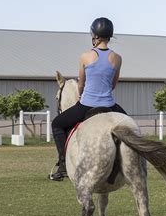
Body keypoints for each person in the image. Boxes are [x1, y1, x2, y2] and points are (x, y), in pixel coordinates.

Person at [49, 17, 127, 181]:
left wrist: (82, 93)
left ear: (94, 36)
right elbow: (113, 85)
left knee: (56, 124)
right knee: (130, 127)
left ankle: (63, 164)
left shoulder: (85, 56)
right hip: (110, 105)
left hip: (86, 105)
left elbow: (81, 84)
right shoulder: (117, 58)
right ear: (109, 35)